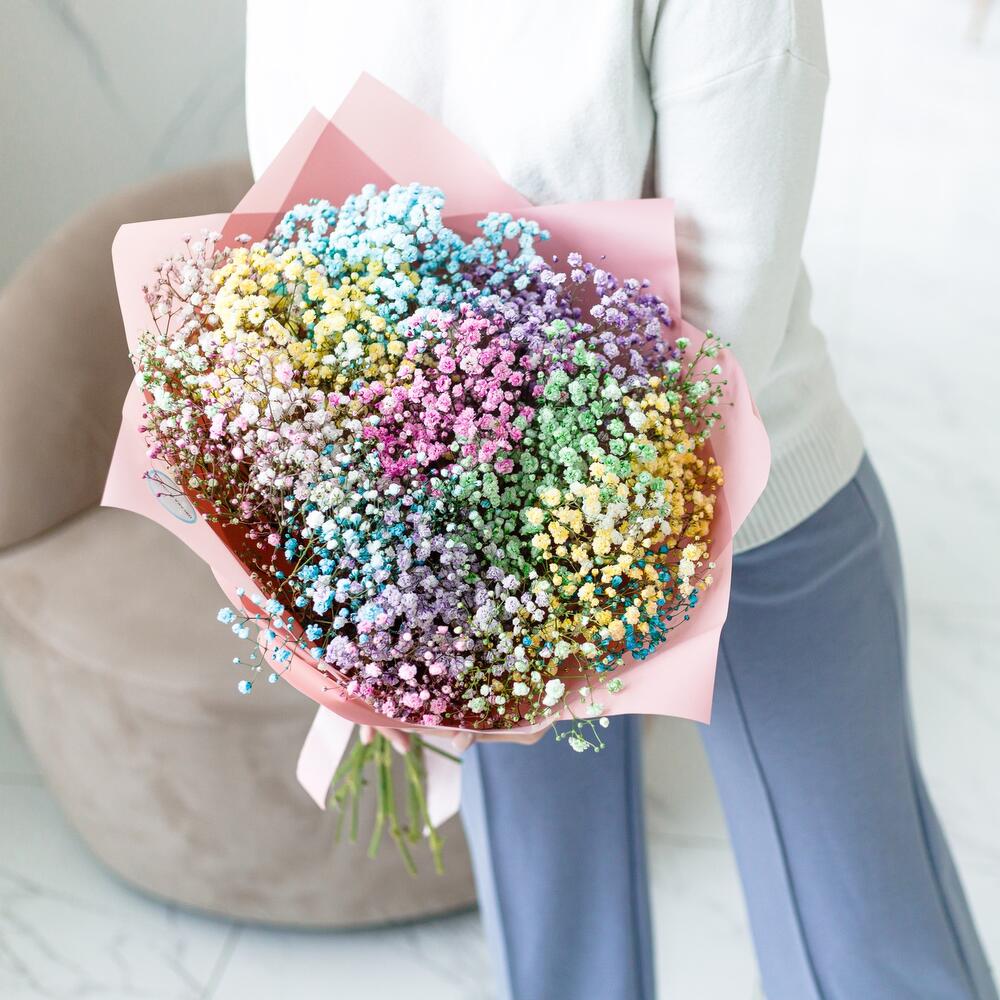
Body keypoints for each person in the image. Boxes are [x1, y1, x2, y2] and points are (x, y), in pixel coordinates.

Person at [246, 2, 998, 997]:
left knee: (860, 939)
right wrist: (389, 564)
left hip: (742, 511)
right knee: (561, 950)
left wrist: (499, 570)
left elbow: (729, 298)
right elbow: (295, 225)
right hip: (466, 547)